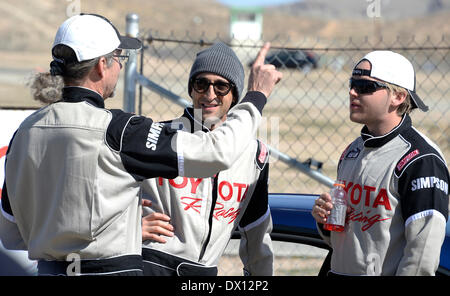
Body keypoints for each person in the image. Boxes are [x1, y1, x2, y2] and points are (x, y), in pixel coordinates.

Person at [0, 14, 282, 276]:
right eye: (118, 57)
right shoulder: (121, 130)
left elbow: (11, 231)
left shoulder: (24, 131)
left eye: (221, 86)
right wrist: (256, 96)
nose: (121, 65)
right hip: (114, 269)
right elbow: (217, 152)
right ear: (102, 65)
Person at [311, 50, 449, 276]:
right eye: (352, 83)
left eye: (365, 87)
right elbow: (347, 238)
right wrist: (325, 221)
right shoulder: (353, 150)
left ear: (398, 97)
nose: (352, 92)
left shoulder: (421, 159)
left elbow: (422, 256)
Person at [140, 42, 273, 276]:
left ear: (235, 96)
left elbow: (257, 231)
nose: (209, 95)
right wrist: (128, 228)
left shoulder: (255, 155)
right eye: (201, 84)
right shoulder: (158, 136)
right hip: (151, 267)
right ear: (191, 89)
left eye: (221, 86)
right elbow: (101, 195)